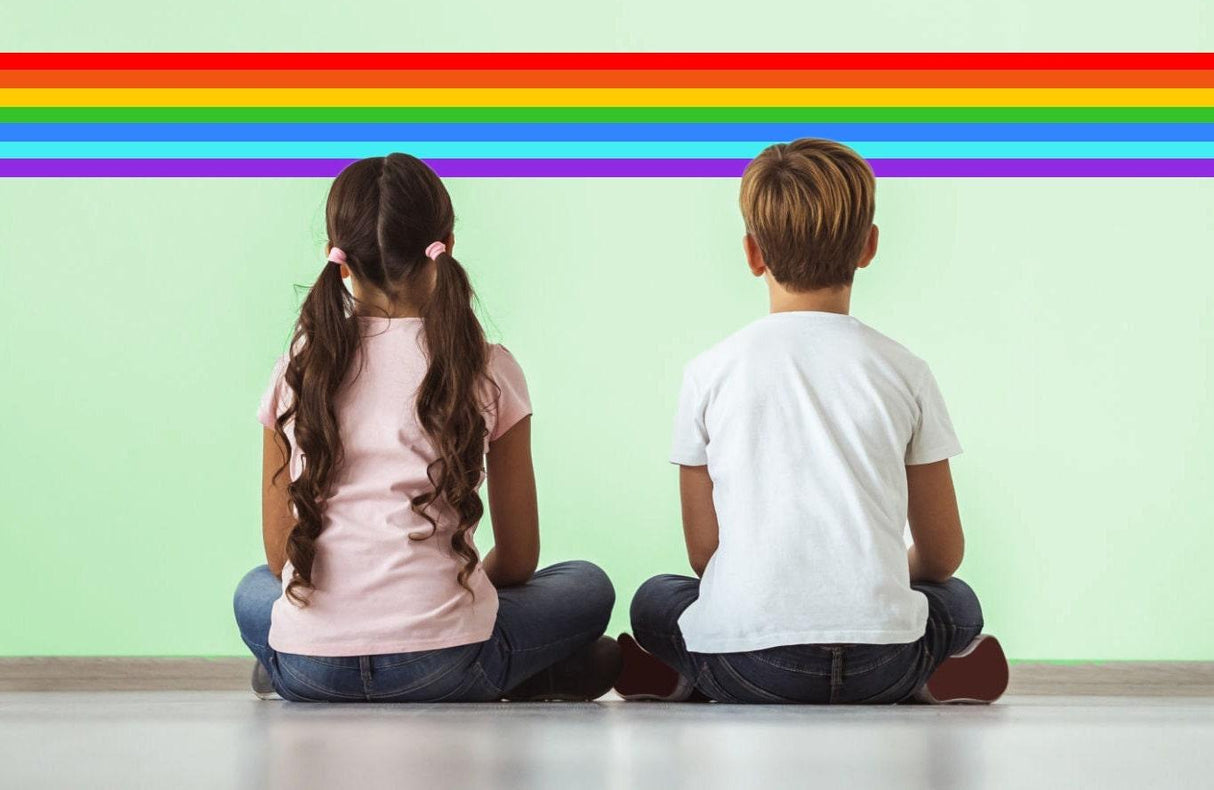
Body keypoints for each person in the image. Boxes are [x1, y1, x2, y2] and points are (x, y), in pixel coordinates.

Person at [616, 138, 1007, 705]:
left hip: (748, 667)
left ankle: (690, 674)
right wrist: (887, 571)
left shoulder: (708, 373)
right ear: (869, 247)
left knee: (657, 598)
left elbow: (704, 555)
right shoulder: (906, 371)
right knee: (958, 602)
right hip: (883, 663)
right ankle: (924, 676)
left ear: (752, 254)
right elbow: (943, 554)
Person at [233, 153, 619, 702]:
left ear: (337, 260)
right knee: (585, 585)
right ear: (447, 246)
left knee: (253, 590)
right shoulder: (487, 366)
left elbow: (279, 561)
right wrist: (465, 592)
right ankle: (535, 670)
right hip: (446, 665)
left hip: (309, 664)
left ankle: (281, 662)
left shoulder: (297, 370)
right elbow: (518, 557)